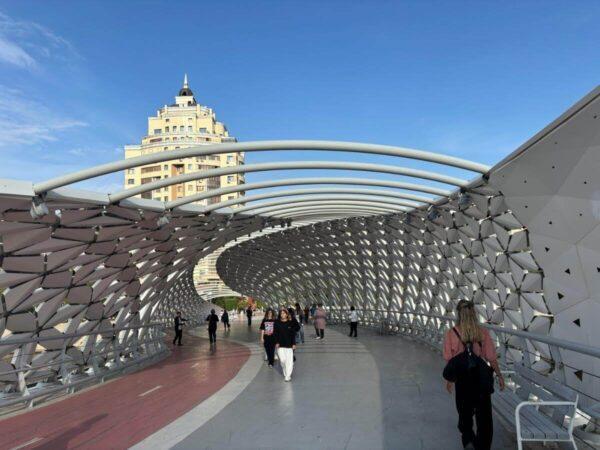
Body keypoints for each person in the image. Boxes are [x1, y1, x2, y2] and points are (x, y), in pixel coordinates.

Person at [443, 300, 505, 450]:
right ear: (473, 313)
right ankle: (482, 446)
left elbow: (449, 359)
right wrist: (499, 375)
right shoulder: (482, 332)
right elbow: (491, 357)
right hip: (481, 380)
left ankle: (469, 441)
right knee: (484, 418)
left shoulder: (452, 333)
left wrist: (450, 380)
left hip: (463, 380)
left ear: (459, 314)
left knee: (464, 413)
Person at [274, 308, 297, 382]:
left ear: (287, 314)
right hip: (280, 345)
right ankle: (286, 371)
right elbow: (275, 333)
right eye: (281, 313)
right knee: (283, 360)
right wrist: (276, 342)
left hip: (289, 345)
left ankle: (288, 376)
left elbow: (293, 334)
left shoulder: (290, 323)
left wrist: (294, 343)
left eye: (284, 313)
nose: (282, 315)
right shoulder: (277, 323)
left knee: (289, 361)